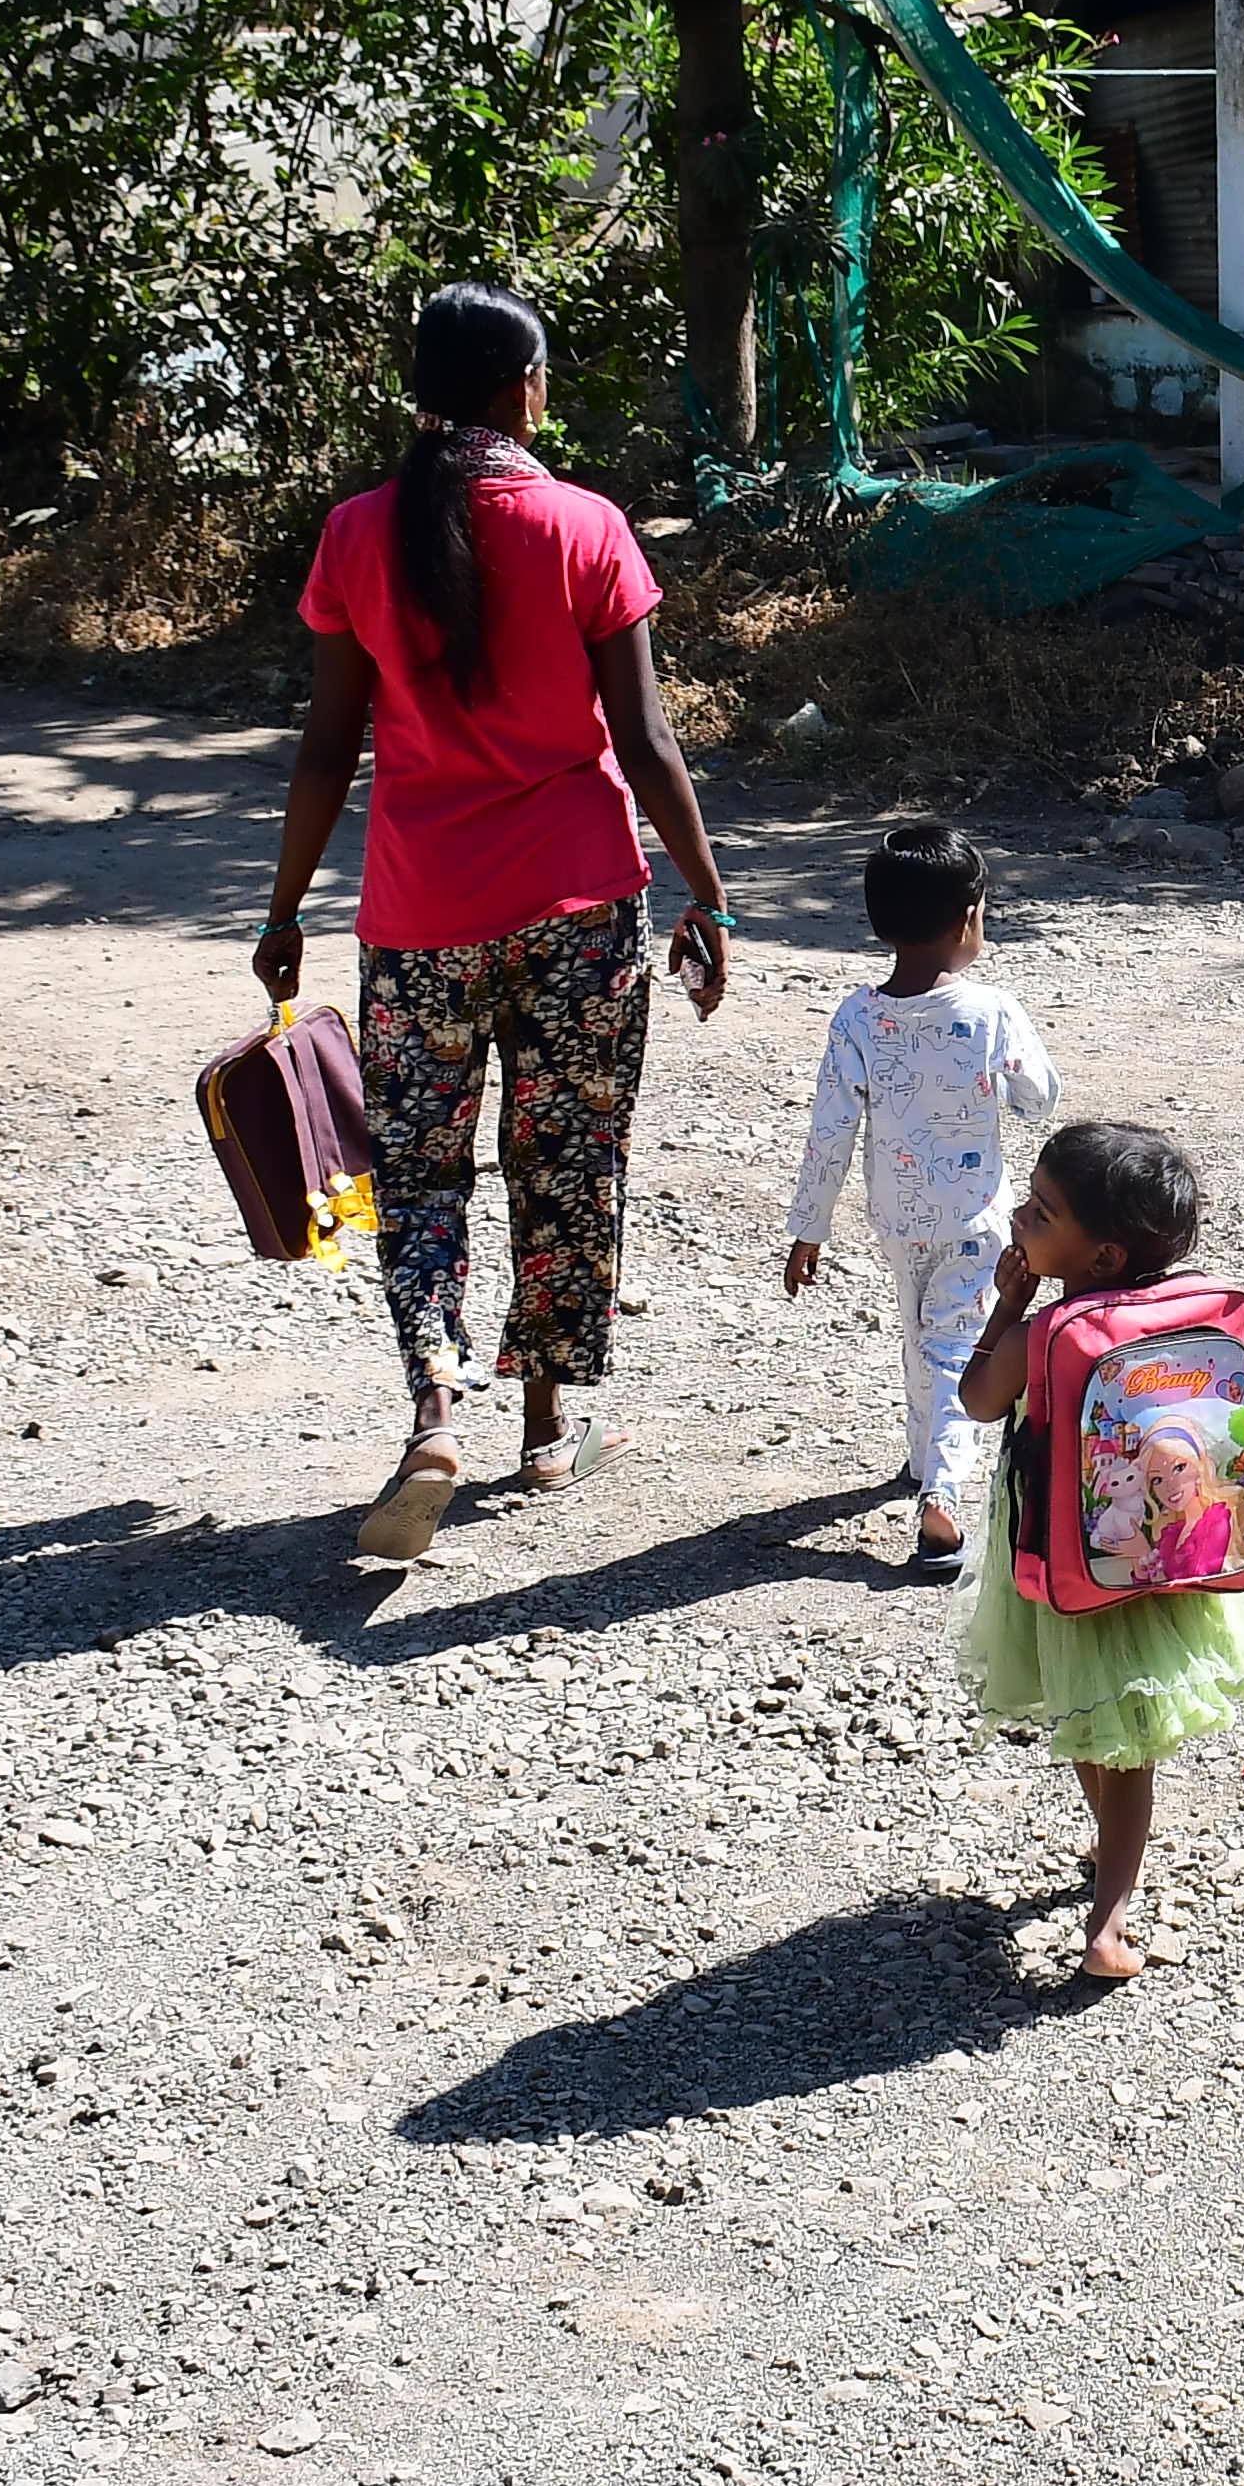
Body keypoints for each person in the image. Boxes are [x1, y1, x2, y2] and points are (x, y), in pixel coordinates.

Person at [254, 285, 733, 1563]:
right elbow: (646, 738)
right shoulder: (584, 525)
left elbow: (325, 748)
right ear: (524, 386)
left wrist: (286, 907)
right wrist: (707, 890)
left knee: (416, 1172)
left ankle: (431, 1413)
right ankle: (546, 1422)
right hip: (580, 904)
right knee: (567, 1156)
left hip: (420, 914)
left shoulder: (358, 532)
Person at [954, 1121, 1244, 1980]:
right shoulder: (1189, 1320)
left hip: (1078, 1564)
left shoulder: (1043, 1335)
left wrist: (1010, 1305)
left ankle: (1109, 1918)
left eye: (1042, 1211)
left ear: (1098, 1257)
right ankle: (1111, 1864)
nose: (1022, 1217)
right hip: (1177, 1563)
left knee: (1119, 1738)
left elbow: (978, 1401)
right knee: (1111, 1727)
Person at [780, 820, 1058, 1573]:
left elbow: (829, 1131)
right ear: (970, 917)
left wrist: (810, 1229)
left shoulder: (856, 1018)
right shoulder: (992, 1010)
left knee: (920, 1341)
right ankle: (941, 1496)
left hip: (896, 1218)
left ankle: (922, 1461)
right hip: (977, 1218)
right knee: (954, 1350)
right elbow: (1039, 1099)